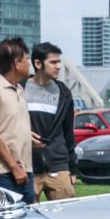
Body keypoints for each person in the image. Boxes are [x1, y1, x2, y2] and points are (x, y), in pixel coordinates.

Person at [0, 36, 34, 203]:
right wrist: (14, 167)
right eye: (27, 59)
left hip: (25, 169)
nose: (29, 63)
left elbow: (9, 127)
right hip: (3, 173)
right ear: (16, 63)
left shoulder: (20, 90)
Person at [25, 42, 79, 200]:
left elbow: (68, 132)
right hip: (28, 167)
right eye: (53, 62)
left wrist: (72, 169)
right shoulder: (20, 88)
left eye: (59, 62)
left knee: (66, 218)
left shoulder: (63, 92)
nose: (58, 66)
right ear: (38, 63)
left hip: (58, 165)